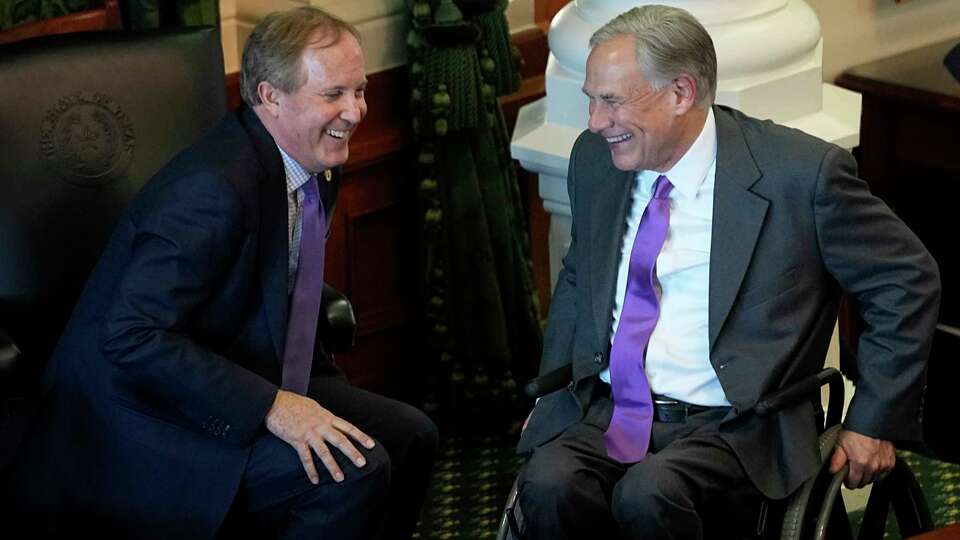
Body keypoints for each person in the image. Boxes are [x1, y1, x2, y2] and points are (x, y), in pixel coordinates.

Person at [5, 7, 437, 539]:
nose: (355, 111)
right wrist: (273, 406)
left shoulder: (314, 157)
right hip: (143, 415)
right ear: (270, 96)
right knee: (349, 475)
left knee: (412, 437)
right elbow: (131, 335)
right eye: (333, 95)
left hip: (249, 365)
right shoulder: (210, 191)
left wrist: (286, 397)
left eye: (360, 90)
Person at [515, 5, 940, 539]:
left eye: (612, 101)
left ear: (681, 93)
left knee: (649, 495)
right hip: (611, 409)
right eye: (591, 100)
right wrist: (551, 400)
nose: (596, 122)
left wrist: (873, 418)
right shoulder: (595, 161)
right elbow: (579, 280)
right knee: (549, 482)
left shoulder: (800, 176)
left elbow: (905, 281)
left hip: (736, 426)